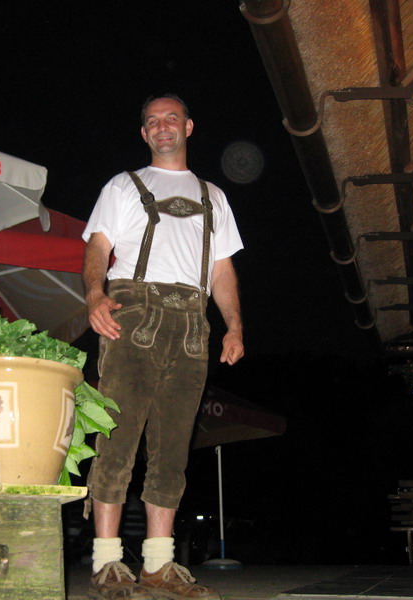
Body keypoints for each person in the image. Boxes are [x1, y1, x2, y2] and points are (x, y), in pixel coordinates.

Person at [82, 93, 244, 600]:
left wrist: (234, 326)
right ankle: (107, 562)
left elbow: (221, 269)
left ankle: (158, 565)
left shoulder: (213, 196)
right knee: (118, 437)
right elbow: (97, 246)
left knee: (173, 448)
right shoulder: (123, 185)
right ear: (144, 133)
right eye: (153, 121)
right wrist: (95, 295)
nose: (162, 127)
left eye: (171, 118)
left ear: (188, 127)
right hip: (134, 313)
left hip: (193, 322)